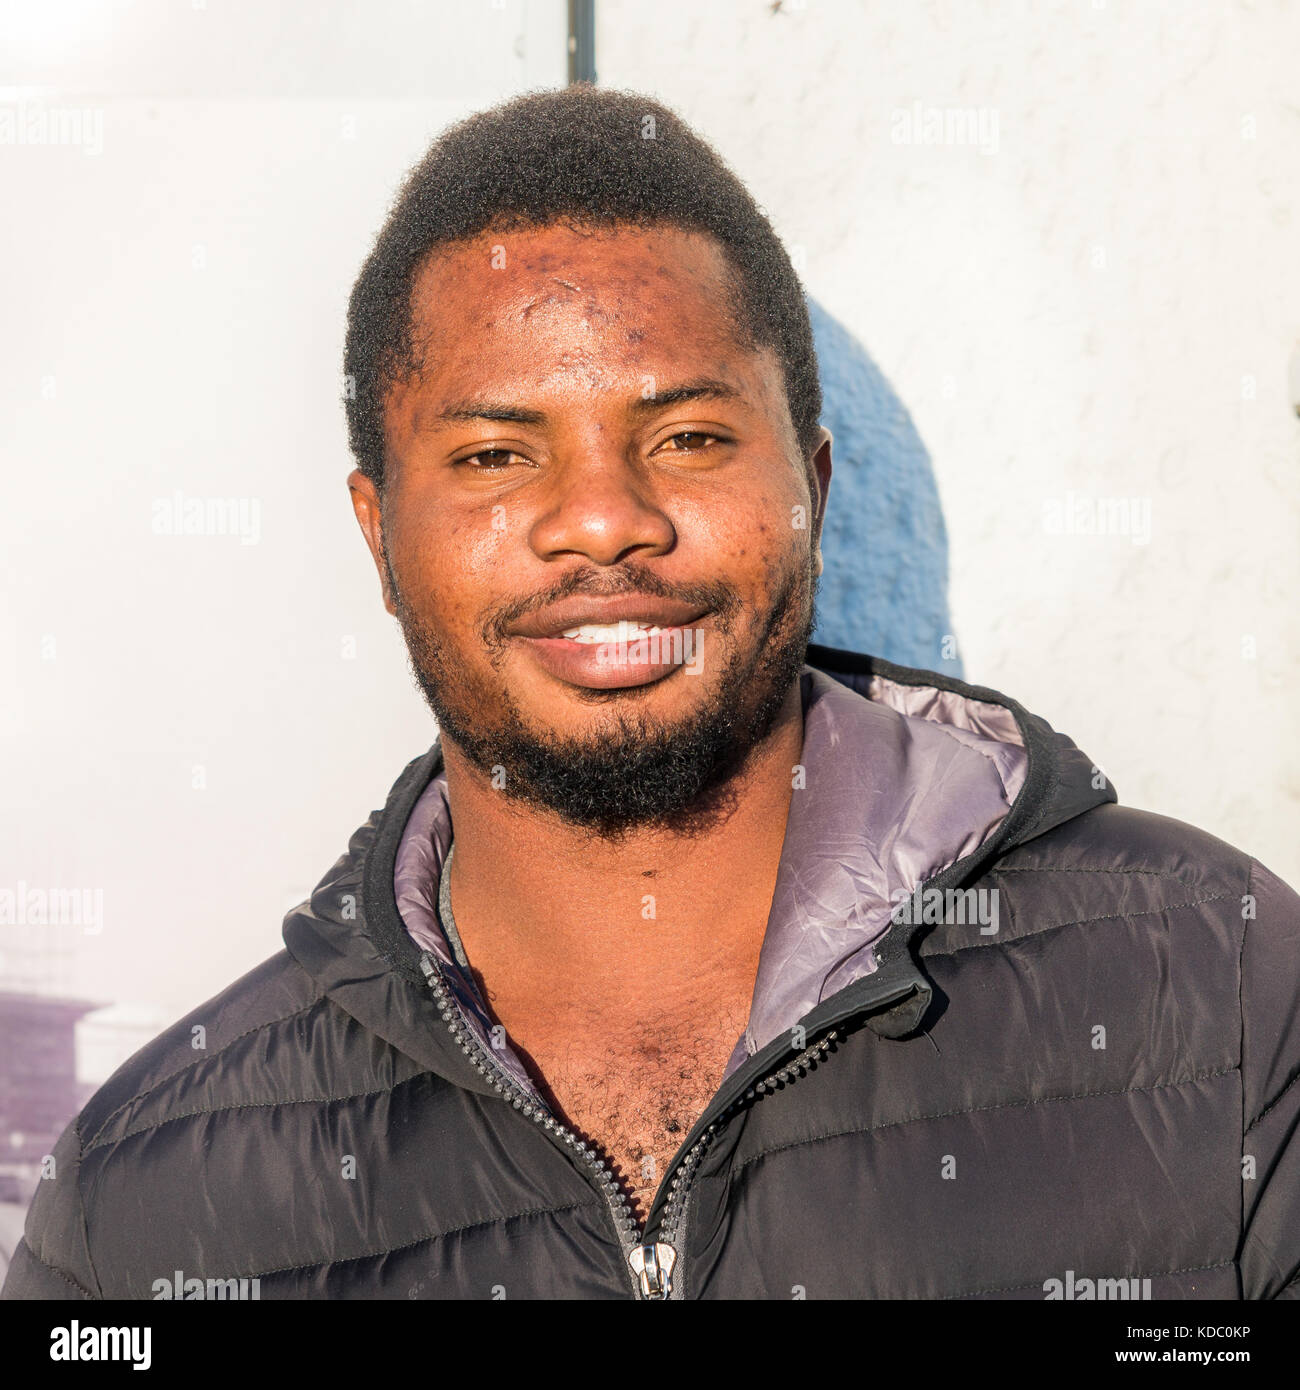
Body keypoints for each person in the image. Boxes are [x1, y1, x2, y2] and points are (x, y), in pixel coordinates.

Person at [5, 84, 1298, 1302]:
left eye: (686, 436)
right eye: (497, 453)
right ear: (379, 536)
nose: (604, 521)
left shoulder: (1225, 994)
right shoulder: (147, 1210)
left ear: (815, 488)